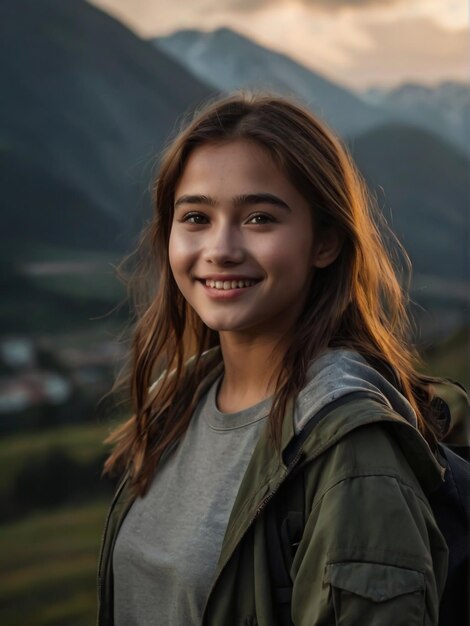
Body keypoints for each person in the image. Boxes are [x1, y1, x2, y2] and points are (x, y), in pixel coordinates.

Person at [97, 92, 449, 626]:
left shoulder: (349, 448)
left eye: (259, 218)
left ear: (325, 242)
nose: (221, 248)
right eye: (195, 216)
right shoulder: (178, 400)